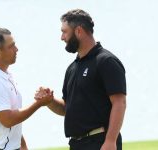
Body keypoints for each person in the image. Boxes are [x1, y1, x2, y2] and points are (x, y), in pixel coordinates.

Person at [35, 9, 126, 150]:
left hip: (100, 143)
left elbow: (119, 102)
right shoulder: (72, 68)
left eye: (64, 32)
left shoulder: (106, 61)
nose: (62, 37)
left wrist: (110, 141)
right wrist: (49, 101)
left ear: (78, 31)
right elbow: (67, 108)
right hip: (76, 144)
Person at [0, 27, 53, 150]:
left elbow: (11, 120)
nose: (16, 49)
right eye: (11, 46)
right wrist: (38, 104)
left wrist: (22, 145)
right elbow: (8, 120)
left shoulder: (6, 76)